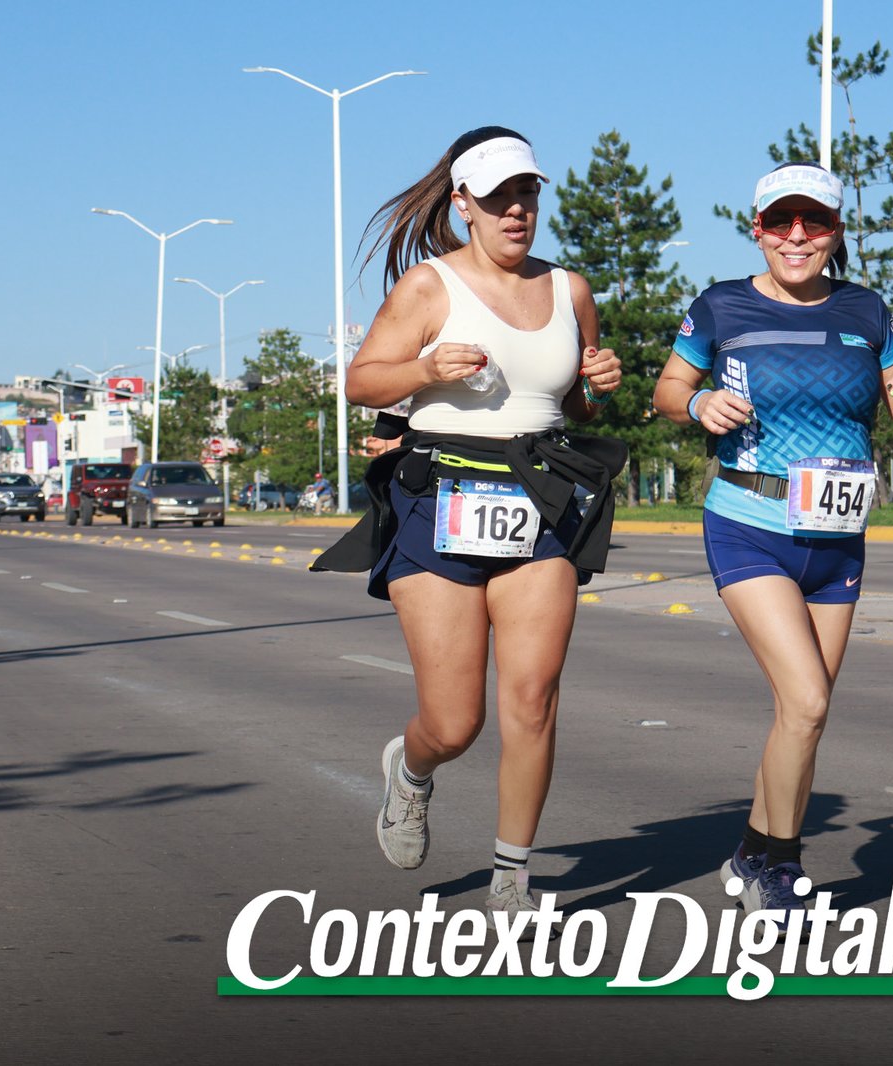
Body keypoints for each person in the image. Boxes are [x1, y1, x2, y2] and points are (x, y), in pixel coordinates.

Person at [312, 126, 626, 925]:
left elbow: (575, 401)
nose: (516, 211)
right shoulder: (429, 286)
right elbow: (361, 381)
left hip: (541, 503)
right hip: (440, 497)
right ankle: (412, 770)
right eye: (497, 198)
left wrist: (598, 383)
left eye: (526, 195)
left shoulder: (570, 290)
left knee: (533, 700)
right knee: (455, 721)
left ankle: (510, 880)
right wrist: (424, 369)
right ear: (463, 206)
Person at [653, 161, 893, 932]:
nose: (797, 236)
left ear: (836, 232)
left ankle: (751, 851)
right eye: (781, 221)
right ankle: (780, 865)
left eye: (815, 222)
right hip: (749, 520)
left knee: (803, 714)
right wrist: (699, 402)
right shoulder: (722, 306)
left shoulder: (867, 311)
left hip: (838, 535)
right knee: (807, 699)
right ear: (758, 229)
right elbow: (666, 391)